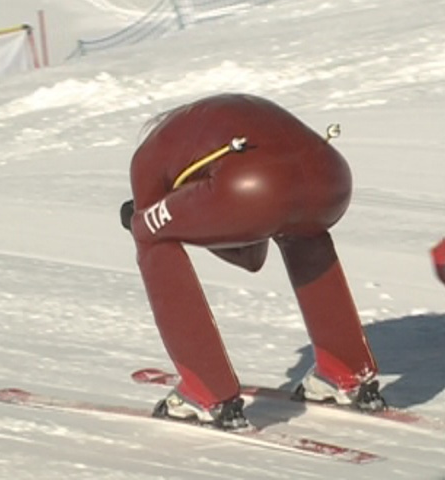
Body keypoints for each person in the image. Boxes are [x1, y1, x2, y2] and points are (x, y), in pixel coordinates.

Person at [119, 93, 386, 430]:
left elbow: (154, 224)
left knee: (146, 232)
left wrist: (137, 219)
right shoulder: (210, 128)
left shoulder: (147, 157)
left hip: (251, 186)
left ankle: (205, 389)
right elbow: (253, 254)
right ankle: (345, 370)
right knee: (304, 231)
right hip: (330, 177)